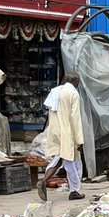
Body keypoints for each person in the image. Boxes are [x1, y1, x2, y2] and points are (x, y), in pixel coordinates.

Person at [38, 72, 85, 201]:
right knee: (71, 161)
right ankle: (74, 190)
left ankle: (45, 182)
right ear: (75, 82)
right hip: (66, 132)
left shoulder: (55, 91)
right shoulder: (73, 94)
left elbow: (50, 113)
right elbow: (75, 118)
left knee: (59, 160)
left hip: (54, 131)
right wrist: (79, 140)